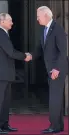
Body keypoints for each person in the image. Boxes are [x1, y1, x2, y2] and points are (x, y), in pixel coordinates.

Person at [0, 13, 31, 134]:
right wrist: (25, 56)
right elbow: (11, 52)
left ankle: (3, 125)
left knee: (5, 102)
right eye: (10, 20)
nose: (12, 23)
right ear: (2, 22)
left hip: (5, 74)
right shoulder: (0, 34)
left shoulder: (4, 34)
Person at [28, 6, 67, 134]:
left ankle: (54, 126)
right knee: (55, 98)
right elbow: (40, 49)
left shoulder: (57, 29)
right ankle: (59, 125)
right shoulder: (44, 30)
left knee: (54, 99)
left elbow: (62, 51)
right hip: (50, 69)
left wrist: (57, 69)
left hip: (57, 70)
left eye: (38, 16)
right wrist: (30, 56)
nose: (37, 19)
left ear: (45, 15)